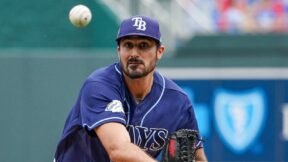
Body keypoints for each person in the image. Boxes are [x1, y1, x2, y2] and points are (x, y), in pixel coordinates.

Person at [54, 15, 207, 162]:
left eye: (143, 46)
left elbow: (199, 158)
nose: (134, 53)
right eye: (128, 45)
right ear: (119, 50)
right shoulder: (99, 85)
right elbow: (118, 150)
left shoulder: (177, 101)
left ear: (159, 52)